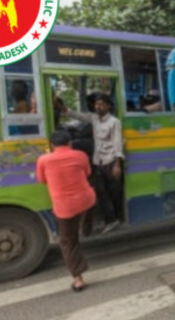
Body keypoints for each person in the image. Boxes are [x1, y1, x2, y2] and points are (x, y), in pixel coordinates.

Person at [55, 93, 124, 234]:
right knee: (101, 192)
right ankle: (110, 220)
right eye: (96, 104)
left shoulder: (114, 122)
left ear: (108, 106)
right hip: (98, 161)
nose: (98, 107)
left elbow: (117, 144)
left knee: (113, 193)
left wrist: (117, 165)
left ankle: (115, 219)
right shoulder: (94, 119)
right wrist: (59, 106)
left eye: (101, 104)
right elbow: (75, 114)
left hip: (111, 161)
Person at [36, 130, 96, 292]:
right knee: (87, 208)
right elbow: (87, 172)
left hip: (65, 208)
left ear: (51, 145)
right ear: (70, 143)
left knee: (68, 241)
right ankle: (87, 228)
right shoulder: (81, 155)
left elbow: (42, 180)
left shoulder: (43, 160)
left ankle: (78, 278)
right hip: (87, 200)